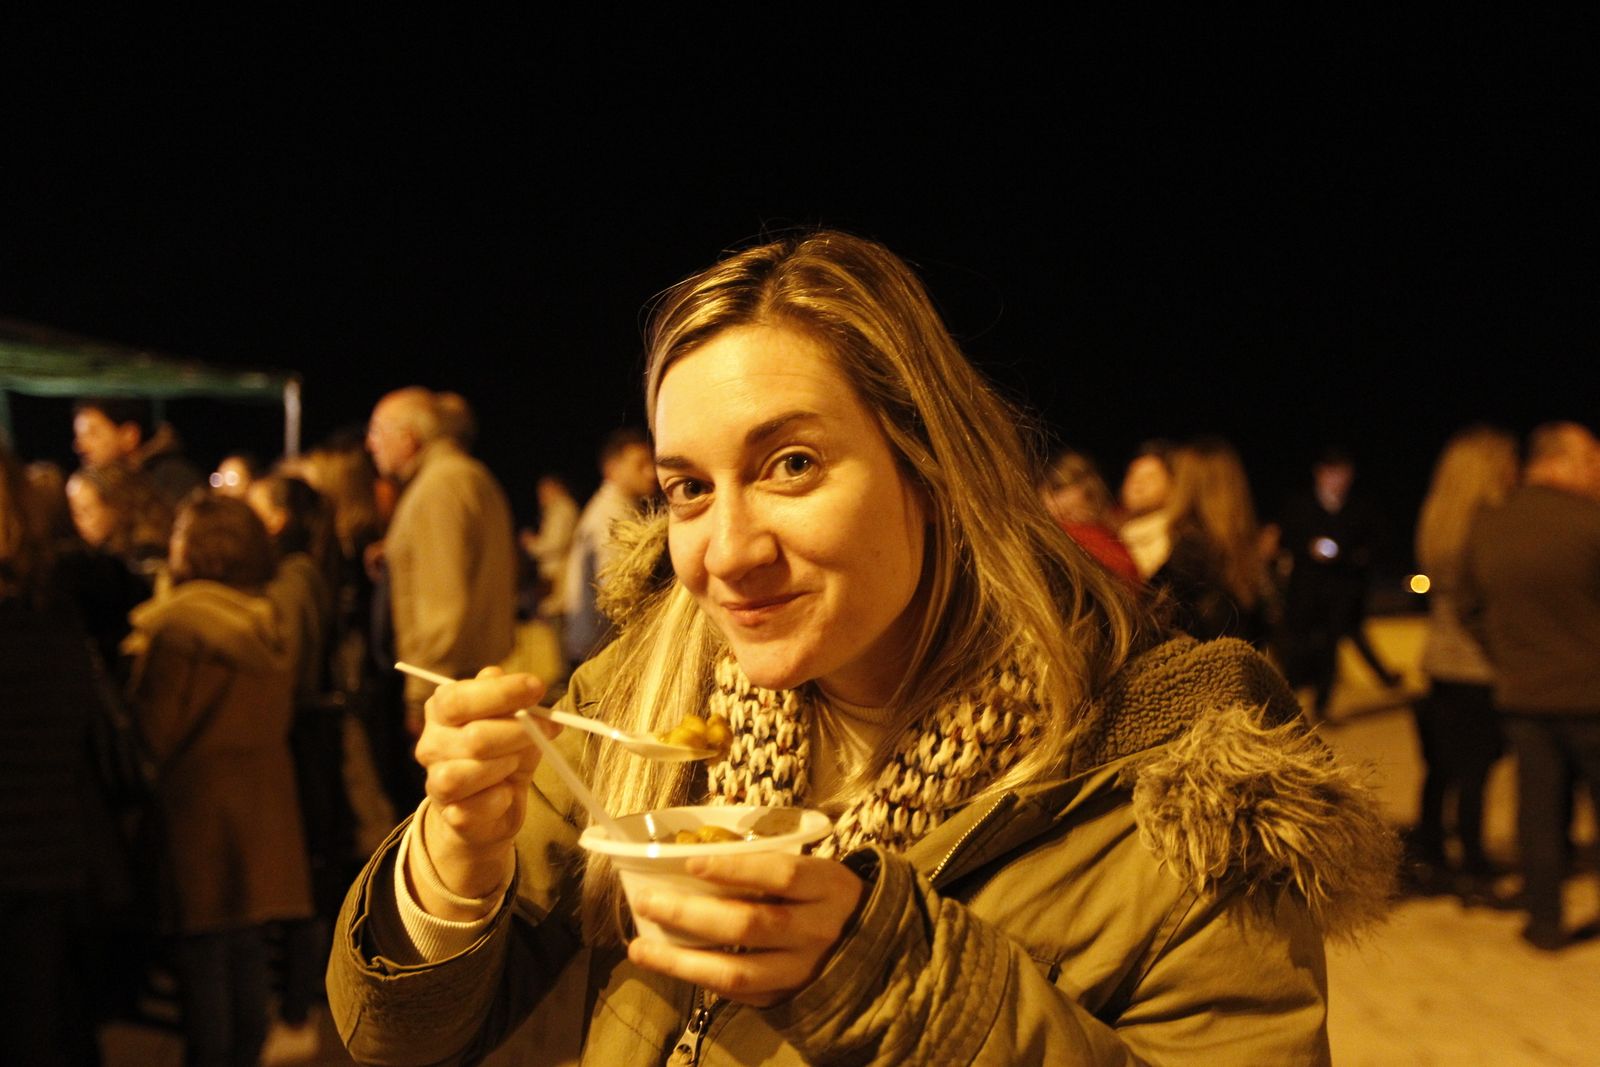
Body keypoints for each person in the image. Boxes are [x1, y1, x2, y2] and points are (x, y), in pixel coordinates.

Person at [327, 232, 1395, 1065]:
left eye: (790, 462)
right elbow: (398, 1036)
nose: (725, 552)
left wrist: (887, 974)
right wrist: (454, 867)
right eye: (687, 486)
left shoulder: (1176, 798)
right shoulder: (645, 693)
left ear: (927, 465)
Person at [123, 494, 313, 1067]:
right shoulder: (268, 626)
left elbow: (151, 734)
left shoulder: (175, 630)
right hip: (264, 810)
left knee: (204, 962)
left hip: (197, 815)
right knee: (248, 952)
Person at [1461, 421, 1600, 950]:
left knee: (1538, 813)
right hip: (1592, 695)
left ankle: (1544, 922)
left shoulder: (1491, 524)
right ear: (1556, 461)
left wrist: (1508, 655)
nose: (1597, 471)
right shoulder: (1591, 521)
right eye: (1590, 460)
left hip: (1524, 694)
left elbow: (1469, 606)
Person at [1406, 426, 1519, 901]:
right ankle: (1472, 864)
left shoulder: (1438, 517)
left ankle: (1431, 850)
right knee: (1476, 770)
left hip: (1440, 661)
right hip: (1479, 665)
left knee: (1441, 768)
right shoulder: (1489, 523)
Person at [365, 387, 517, 737]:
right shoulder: (465, 475)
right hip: (468, 676)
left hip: (447, 689)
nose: (370, 444)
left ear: (408, 437)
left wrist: (419, 697)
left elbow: (442, 608)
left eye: (376, 431)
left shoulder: (439, 487)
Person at [1274, 446, 1403, 718]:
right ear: (1319, 474)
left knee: (1330, 649)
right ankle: (1286, 700)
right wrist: (1309, 547)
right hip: (1305, 591)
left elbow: (1378, 544)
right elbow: (1285, 538)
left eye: (1342, 474)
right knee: (1298, 647)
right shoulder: (1300, 504)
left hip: (1343, 592)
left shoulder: (1361, 507)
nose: (1336, 480)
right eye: (1331, 473)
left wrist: (1346, 554)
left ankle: (1322, 706)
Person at [1150, 437, 1273, 646]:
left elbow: (1160, 617)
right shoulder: (1243, 547)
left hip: (1200, 666)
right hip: (1237, 665)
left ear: (1187, 485)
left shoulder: (1188, 547)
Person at [559, 427, 658, 671]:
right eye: (640, 464)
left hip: (596, 642)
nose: (652, 473)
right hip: (601, 648)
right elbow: (621, 589)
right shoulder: (611, 516)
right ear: (612, 469)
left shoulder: (615, 508)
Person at [71, 396, 204, 505]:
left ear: (129, 435)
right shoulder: (104, 486)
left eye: (93, 434)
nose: (80, 446)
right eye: (79, 436)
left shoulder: (172, 479)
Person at [1037, 447, 1140, 584]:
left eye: (1058, 489)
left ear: (1086, 488)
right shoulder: (1109, 539)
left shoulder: (1078, 538)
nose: (1046, 501)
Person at [520, 473, 580, 619]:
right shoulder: (558, 510)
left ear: (555, 488)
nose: (540, 497)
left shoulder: (563, 509)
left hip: (557, 574)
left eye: (543, 491)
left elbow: (556, 543)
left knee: (552, 614)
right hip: (555, 573)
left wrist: (531, 544)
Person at [1115, 438, 1176, 580]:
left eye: (1149, 477)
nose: (1137, 484)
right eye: (1133, 475)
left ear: (1173, 484)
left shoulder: (1169, 536)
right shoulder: (1121, 529)